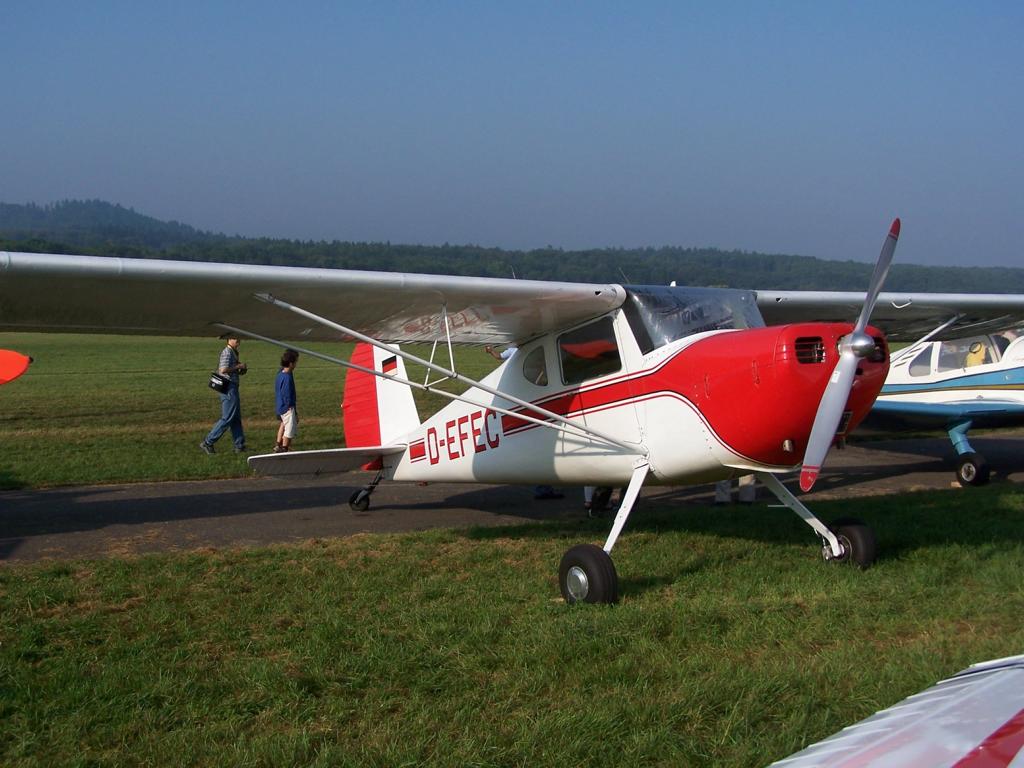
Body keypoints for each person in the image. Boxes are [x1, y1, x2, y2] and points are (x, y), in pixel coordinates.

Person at [200, 336, 247, 454]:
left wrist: (240, 369)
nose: (238, 340)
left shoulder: (233, 352)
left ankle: (239, 445)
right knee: (228, 417)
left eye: (238, 338)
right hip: (228, 387)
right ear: (228, 340)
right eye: (235, 338)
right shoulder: (227, 352)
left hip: (232, 387)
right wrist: (238, 367)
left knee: (235, 418)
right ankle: (208, 442)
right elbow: (223, 370)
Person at [274, 349, 299, 452]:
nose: (296, 365)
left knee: (284, 425)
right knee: (289, 429)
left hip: (280, 405)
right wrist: (290, 408)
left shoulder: (280, 374)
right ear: (291, 363)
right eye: (295, 362)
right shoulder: (287, 378)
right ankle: (284, 448)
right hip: (286, 407)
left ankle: (279, 445)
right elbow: (287, 394)